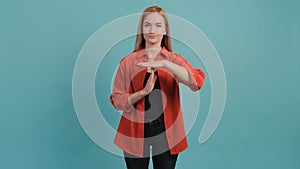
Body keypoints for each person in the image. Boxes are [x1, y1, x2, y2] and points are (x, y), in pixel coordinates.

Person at [110, 6, 206, 169]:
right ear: (141, 29)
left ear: (165, 30)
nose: (152, 30)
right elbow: (117, 100)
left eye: (158, 25)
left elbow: (196, 82)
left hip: (168, 135)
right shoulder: (127, 62)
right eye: (147, 25)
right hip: (134, 135)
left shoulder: (173, 60)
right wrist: (142, 93)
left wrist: (165, 63)